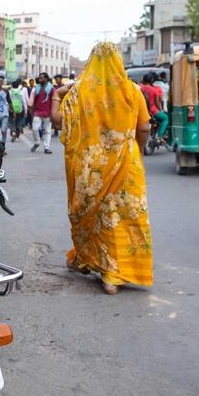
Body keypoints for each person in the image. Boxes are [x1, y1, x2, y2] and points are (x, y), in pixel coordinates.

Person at [51, 42, 153, 295]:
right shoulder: (132, 90)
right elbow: (144, 128)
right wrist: (136, 149)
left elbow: (57, 121)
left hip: (89, 168)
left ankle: (92, 263)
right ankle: (115, 274)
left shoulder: (78, 93)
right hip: (126, 164)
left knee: (92, 216)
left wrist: (56, 95)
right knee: (124, 215)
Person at [141, 73, 167, 144]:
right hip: (153, 111)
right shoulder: (154, 90)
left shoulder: (140, 88)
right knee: (165, 119)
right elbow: (157, 103)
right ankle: (159, 136)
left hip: (142, 110)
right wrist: (161, 110)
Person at [31, 72, 54, 154]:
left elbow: (53, 101)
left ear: (46, 79)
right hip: (38, 112)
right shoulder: (37, 88)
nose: (40, 79)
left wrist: (53, 113)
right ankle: (37, 142)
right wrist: (32, 110)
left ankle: (46, 147)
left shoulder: (51, 88)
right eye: (39, 78)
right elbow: (35, 100)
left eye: (42, 78)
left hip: (48, 113)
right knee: (35, 128)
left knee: (47, 131)